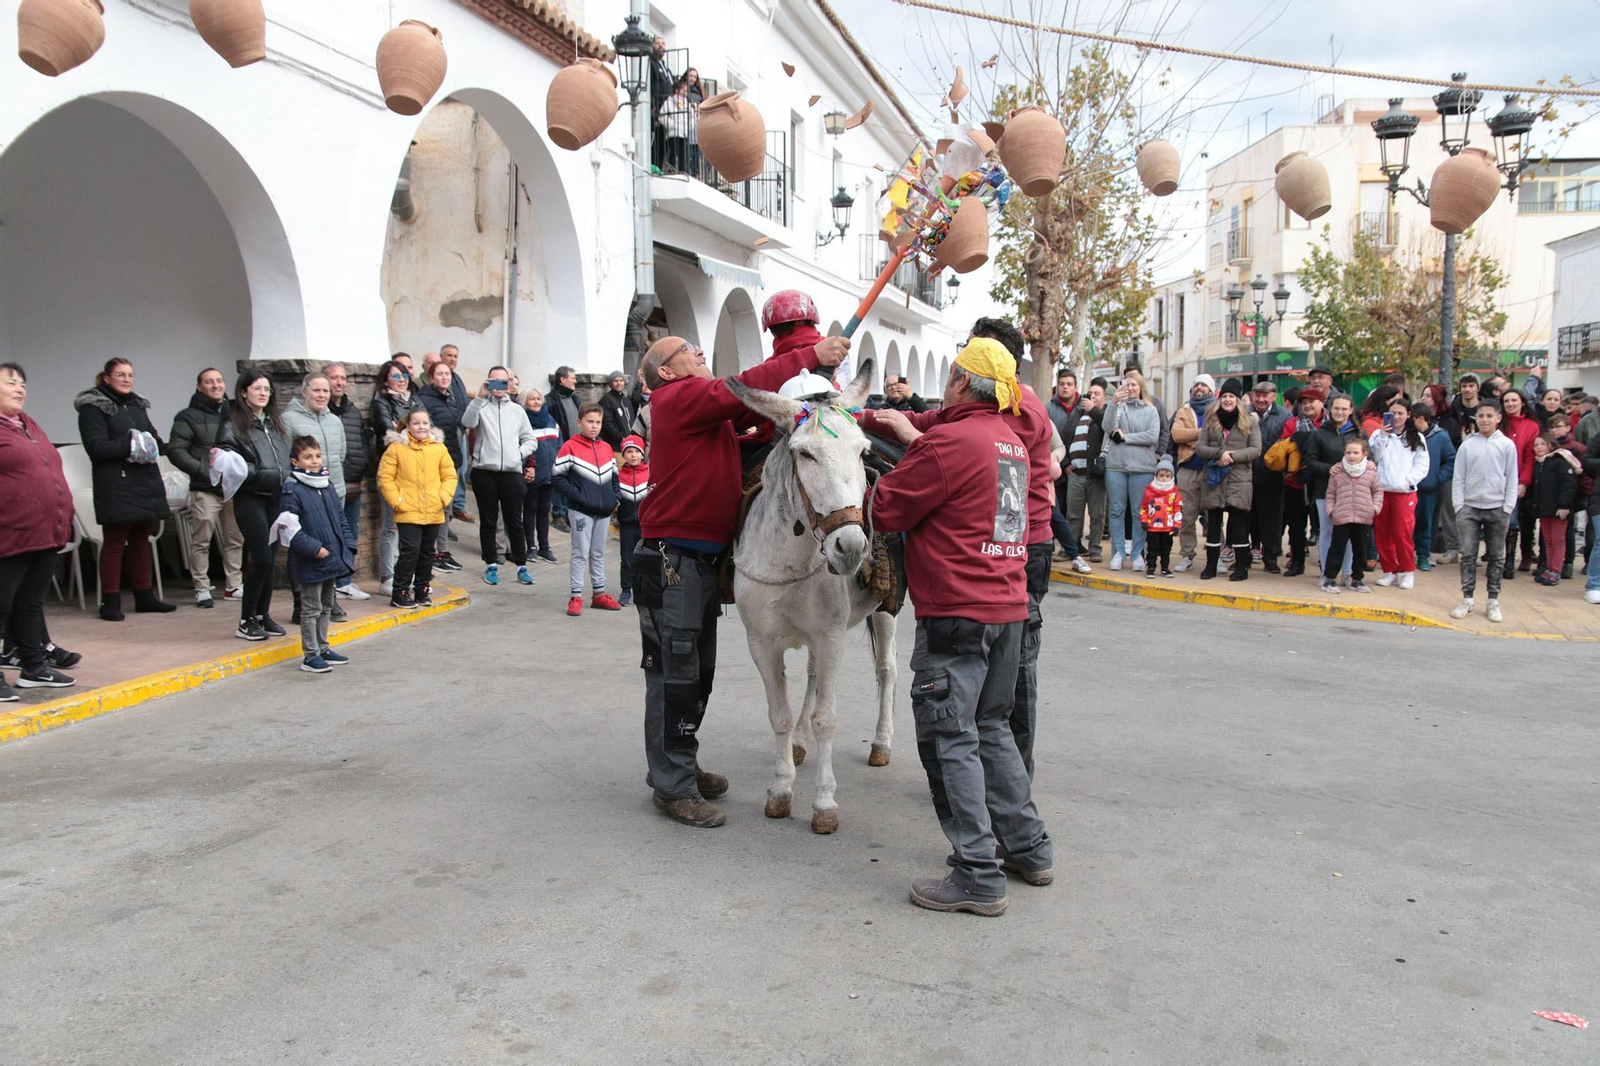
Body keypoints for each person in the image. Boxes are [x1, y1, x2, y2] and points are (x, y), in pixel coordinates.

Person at [634, 313, 848, 829]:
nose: (698, 350)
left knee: (697, 673)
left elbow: (739, 427)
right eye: (688, 347)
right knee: (676, 675)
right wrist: (809, 359)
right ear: (666, 371)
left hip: (697, 562)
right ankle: (673, 786)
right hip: (673, 563)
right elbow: (744, 387)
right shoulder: (679, 398)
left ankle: (679, 764)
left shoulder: (698, 412)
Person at [867, 339, 1052, 916]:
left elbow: (888, 508)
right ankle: (1028, 848)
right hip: (1007, 607)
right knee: (992, 729)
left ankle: (977, 872)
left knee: (951, 736)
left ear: (956, 382)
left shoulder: (949, 441)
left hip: (956, 613)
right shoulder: (1011, 442)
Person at [74, 357, 175, 620]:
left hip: (145, 480)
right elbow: (96, 448)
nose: (127, 379)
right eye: (120, 374)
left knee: (141, 541)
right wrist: (133, 443)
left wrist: (163, 446)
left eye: (130, 375)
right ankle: (110, 600)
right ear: (107, 378)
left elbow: (154, 439)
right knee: (115, 541)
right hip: (115, 482)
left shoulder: (137, 405)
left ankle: (144, 596)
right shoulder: (93, 408)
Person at [0, 362, 77, 697]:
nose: (20, 389)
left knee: (29, 602)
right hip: (10, 532)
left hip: (43, 531)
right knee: (1, 605)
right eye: (10, 383)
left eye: (23, 384)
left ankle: (34, 667)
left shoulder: (28, 424)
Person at [216, 369, 292, 641]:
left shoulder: (274, 424)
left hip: (274, 496)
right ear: (244, 392)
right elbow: (224, 459)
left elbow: (284, 457)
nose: (263, 393)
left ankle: (262, 614)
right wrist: (255, 470)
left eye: (267, 389)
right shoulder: (233, 423)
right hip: (250, 496)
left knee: (271, 560)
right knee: (259, 557)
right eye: (258, 388)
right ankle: (245, 619)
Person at [169, 368, 244, 608]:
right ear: (199, 387)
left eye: (219, 381)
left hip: (233, 487)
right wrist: (204, 471)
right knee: (202, 539)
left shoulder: (236, 412)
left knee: (235, 539)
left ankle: (234, 585)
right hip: (205, 488)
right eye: (209, 382)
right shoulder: (187, 416)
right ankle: (201, 587)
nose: (215, 385)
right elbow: (176, 450)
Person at [281, 371, 353, 623]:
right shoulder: (289, 419)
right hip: (302, 494)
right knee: (301, 547)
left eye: (325, 390)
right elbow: (284, 457)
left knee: (330, 543)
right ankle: (300, 600)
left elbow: (340, 454)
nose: (322, 395)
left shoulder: (334, 420)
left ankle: (329, 599)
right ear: (304, 392)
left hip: (332, 491)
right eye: (316, 390)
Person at [280, 436, 354, 673]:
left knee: (326, 606)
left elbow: (340, 518)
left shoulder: (327, 485)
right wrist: (314, 549)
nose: (314, 462)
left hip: (331, 556)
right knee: (311, 608)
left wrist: (348, 545)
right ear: (296, 461)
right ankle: (310, 655)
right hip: (312, 558)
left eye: (317, 456)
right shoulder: (291, 490)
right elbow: (290, 529)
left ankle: (323, 647)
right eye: (308, 457)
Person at [462, 366, 537, 587]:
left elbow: (530, 439)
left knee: (515, 520)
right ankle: (491, 564)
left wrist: (518, 455)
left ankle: (521, 565)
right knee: (488, 520)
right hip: (485, 470)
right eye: (494, 381)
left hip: (511, 471)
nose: (499, 387)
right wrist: (480, 395)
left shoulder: (516, 410)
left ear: (510, 384)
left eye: (503, 382)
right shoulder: (480, 405)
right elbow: (467, 422)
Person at [376, 408, 456, 610]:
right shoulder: (396, 449)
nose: (421, 427)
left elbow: (449, 476)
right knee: (410, 550)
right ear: (408, 426)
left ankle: (422, 588)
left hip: (433, 509)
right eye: (416, 423)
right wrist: (397, 501)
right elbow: (385, 477)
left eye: (425, 423)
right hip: (407, 510)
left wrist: (443, 497)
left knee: (427, 552)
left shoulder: (438, 449)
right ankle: (400, 591)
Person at [1451, 402, 1518, 623]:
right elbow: (1459, 477)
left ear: (1498, 418)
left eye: (1490, 415)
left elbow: (1512, 478)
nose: (1485, 420)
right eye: (1481, 415)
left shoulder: (1507, 445)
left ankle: (1493, 600)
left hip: (1497, 507)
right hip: (1469, 508)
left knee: (1497, 557)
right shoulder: (1467, 445)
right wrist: (1459, 506)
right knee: (1468, 554)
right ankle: (1467, 599)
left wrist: (1507, 507)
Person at [553, 403, 621, 616]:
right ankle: (576, 596)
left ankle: (599, 594)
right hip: (581, 510)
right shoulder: (569, 447)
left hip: (603, 511)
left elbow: (615, 478)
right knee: (580, 552)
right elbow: (557, 478)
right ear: (579, 422)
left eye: (598, 422)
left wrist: (614, 499)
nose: (594, 426)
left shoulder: (606, 448)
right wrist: (579, 497)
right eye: (590, 421)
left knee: (598, 552)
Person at [1193, 379, 1262, 581]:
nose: (1228, 400)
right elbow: (1200, 447)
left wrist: (1232, 456)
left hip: (1238, 479)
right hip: (1214, 479)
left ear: (1238, 400)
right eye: (1225, 396)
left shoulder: (1249, 422)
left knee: (1239, 524)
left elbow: (1256, 449)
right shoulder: (1211, 420)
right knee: (1213, 525)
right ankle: (1211, 565)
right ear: (1219, 398)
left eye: (1232, 396)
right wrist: (1219, 453)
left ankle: (1242, 566)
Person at [370, 358, 421, 595]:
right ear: (386, 379)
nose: (402, 381)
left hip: (415, 470)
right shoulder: (381, 402)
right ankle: (387, 576)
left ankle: (405, 573)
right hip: (393, 470)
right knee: (391, 526)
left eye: (405, 376)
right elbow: (389, 430)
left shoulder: (415, 401)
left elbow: (425, 429)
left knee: (409, 526)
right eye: (396, 377)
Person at [1368, 398, 1431, 589]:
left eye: (1400, 413)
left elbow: (1422, 465)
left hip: (1404, 493)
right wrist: (1383, 436)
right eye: (1392, 413)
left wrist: (1408, 481)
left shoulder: (1416, 438)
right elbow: (1374, 457)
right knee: (1382, 533)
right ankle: (1389, 570)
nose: (1396, 417)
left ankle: (1407, 570)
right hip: (1382, 491)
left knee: (1401, 533)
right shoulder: (1379, 436)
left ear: (1409, 415)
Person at [321, 364, 372, 600]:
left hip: (352, 482)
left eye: (343, 378)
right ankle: (328, 582)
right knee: (329, 535)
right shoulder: (322, 412)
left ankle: (344, 581)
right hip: (329, 484)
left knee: (348, 534)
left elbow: (361, 441)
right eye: (334, 378)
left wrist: (361, 469)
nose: (339, 383)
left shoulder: (352, 410)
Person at [1101, 373, 1161, 571]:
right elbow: (1107, 427)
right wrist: (1113, 404)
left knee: (1138, 512)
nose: (1130, 388)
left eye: (1133, 384)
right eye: (1126, 385)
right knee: (1116, 511)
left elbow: (1152, 436)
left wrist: (1126, 437)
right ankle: (1118, 552)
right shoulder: (1118, 407)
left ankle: (1137, 554)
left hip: (1142, 467)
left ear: (1141, 386)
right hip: (1116, 466)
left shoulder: (1151, 411)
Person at [417, 360, 467, 574]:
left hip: (451, 459)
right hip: (433, 462)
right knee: (435, 509)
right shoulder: (423, 399)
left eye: (447, 374)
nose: (444, 377)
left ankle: (443, 551)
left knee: (446, 510)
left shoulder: (450, 400)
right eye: (440, 374)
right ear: (431, 376)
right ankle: (432, 552)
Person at [1320, 437, 1382, 595]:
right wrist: (1331, 510)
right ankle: (1329, 578)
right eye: (1348, 452)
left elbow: (1377, 491)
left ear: (1364, 454)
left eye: (1356, 452)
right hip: (1342, 516)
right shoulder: (1337, 471)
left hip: (1364, 516)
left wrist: (1374, 508)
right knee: (1337, 548)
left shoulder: (1370, 472)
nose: (1352, 456)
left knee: (1361, 550)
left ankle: (1357, 579)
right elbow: (1330, 493)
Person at [1168, 375, 1216, 571]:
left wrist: (1193, 434)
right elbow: (1177, 434)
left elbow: (1218, 434)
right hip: (1187, 468)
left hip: (1211, 468)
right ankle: (1187, 555)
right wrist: (1202, 433)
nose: (1199, 388)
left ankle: (1216, 556)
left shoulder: (1218, 409)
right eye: (1196, 384)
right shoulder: (1184, 410)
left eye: (1204, 385)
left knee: (1214, 516)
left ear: (1211, 390)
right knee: (1186, 516)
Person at [1063, 378, 1107, 561]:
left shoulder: (1104, 413)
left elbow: (1108, 427)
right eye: (1090, 393)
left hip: (1095, 474)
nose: (1092, 396)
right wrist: (1066, 464)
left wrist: (1093, 410)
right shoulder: (1077, 415)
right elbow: (1064, 438)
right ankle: (1071, 549)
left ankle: (1095, 548)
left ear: (1104, 398)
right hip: (1076, 473)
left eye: (1097, 394)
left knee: (1097, 515)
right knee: (1073, 515)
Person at [1248, 380, 1291, 572]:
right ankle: (1244, 556)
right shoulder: (1245, 412)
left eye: (1266, 395)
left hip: (1273, 476)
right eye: (1258, 394)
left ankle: (1271, 558)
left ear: (1274, 396)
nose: (1261, 399)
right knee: (1245, 519)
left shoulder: (1284, 415)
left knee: (1272, 520)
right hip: (1246, 475)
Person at [1499, 388, 1540, 577]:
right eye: (1506, 401)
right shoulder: (1500, 425)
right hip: (1499, 480)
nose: (1510, 404)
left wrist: (1523, 481)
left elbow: (1530, 456)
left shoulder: (1531, 426)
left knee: (1523, 521)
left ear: (1522, 402)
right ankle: (1504, 561)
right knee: (1505, 521)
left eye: (1514, 400)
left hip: (1521, 479)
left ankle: (1521, 557)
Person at [1528, 434, 1577, 586]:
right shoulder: (1538, 464)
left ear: (1551, 444)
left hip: (1558, 509)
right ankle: (1549, 568)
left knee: (1557, 540)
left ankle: (1556, 570)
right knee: (1547, 540)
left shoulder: (1559, 462)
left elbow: (1568, 485)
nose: (1539, 447)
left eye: (1543, 444)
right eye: (1536, 445)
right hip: (1544, 508)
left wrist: (1564, 505)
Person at [1545, 411, 1589, 579]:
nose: (1554, 430)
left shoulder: (1577, 448)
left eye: (1558, 427)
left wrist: (1584, 495)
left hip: (1571, 496)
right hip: (1551, 497)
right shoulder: (1549, 448)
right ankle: (1549, 564)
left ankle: (1567, 563)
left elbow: (1584, 475)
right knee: (1550, 533)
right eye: (1551, 427)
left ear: (1568, 428)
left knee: (1567, 531)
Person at [1412, 406, 1456, 572]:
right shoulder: (1408, 436)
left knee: (1425, 522)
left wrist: (1437, 478)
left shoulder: (1440, 436)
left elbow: (1450, 460)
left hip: (1428, 488)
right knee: (1407, 524)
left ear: (1421, 419)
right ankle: (1407, 554)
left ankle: (1423, 554)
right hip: (1407, 486)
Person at [522, 388, 561, 564]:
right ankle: (531, 546)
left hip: (549, 474)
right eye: (532, 399)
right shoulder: (523, 421)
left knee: (545, 511)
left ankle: (544, 547)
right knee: (530, 509)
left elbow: (559, 443)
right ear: (525, 402)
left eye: (538, 398)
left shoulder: (550, 420)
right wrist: (527, 467)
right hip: (532, 474)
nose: (536, 402)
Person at [438, 344, 473, 523]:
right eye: (449, 355)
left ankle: (458, 505)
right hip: (447, 433)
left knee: (462, 468)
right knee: (450, 470)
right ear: (441, 356)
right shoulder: (440, 378)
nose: (452, 359)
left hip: (461, 430)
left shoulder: (457, 378)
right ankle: (449, 509)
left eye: (455, 356)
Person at [616, 434, 649, 608]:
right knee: (627, 559)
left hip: (646, 526)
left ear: (643, 454)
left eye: (637, 451)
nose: (633, 455)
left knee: (646, 559)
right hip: (627, 524)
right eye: (629, 451)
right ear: (623, 455)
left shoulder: (650, 473)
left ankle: (643, 591)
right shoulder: (618, 476)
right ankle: (626, 590)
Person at [1139, 456, 1183, 577]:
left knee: (1166, 549)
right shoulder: (1149, 490)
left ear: (1171, 476)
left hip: (1167, 527)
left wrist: (1176, 525)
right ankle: (1151, 568)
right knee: (1152, 549)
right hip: (1152, 527)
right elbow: (1144, 507)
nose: (1164, 478)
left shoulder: (1174, 491)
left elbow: (1177, 508)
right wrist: (1144, 520)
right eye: (1161, 475)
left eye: (1167, 476)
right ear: (1156, 475)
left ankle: (1165, 568)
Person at [659, 75, 691, 173]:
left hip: (684, 132)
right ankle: (671, 170)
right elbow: (661, 116)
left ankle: (683, 171)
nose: (684, 93)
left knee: (683, 154)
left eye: (686, 91)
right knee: (673, 152)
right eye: (683, 91)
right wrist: (672, 125)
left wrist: (689, 126)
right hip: (673, 132)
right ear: (677, 90)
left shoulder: (687, 103)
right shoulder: (669, 102)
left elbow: (693, 117)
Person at [599, 370, 635, 451]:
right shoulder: (607, 400)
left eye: (621, 380)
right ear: (611, 383)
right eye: (615, 381)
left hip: (629, 444)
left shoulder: (626, 400)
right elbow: (607, 423)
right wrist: (621, 438)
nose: (619, 383)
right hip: (616, 447)